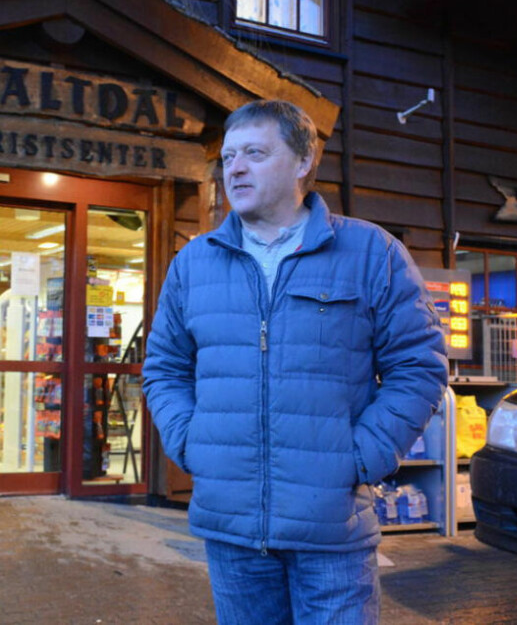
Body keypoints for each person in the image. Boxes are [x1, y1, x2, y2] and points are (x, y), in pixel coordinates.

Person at [142, 100, 448, 624]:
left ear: (304, 161)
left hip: (331, 528)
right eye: (229, 157)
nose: (235, 168)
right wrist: (191, 442)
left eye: (255, 153)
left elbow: (419, 366)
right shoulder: (194, 262)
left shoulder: (370, 253)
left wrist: (360, 457)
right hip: (232, 529)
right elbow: (164, 367)